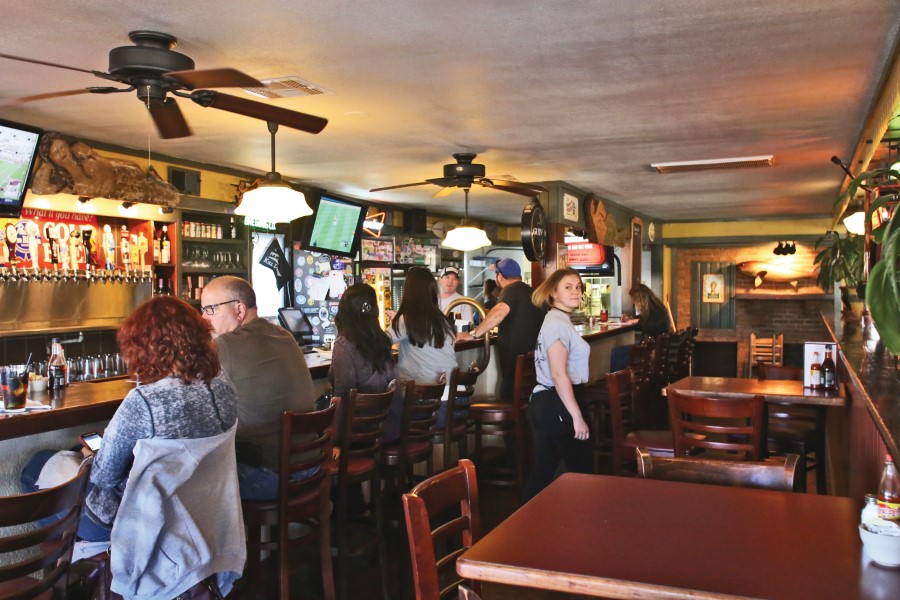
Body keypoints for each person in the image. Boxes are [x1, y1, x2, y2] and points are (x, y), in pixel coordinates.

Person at [87, 296, 244, 597]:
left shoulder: (144, 402)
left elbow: (103, 476)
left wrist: (86, 459)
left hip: (151, 525)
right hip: (208, 522)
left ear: (142, 346)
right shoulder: (223, 386)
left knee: (40, 471)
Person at [200, 275, 316, 500]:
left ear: (239, 310)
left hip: (272, 477)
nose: (203, 318)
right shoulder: (285, 335)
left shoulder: (225, 344)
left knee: (190, 482)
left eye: (210, 309)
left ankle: (232, 537)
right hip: (311, 468)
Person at [522, 268, 593, 503]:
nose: (575, 291)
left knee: (543, 471)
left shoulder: (558, 320)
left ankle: (523, 526)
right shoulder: (557, 323)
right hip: (558, 402)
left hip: (548, 402)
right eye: (568, 287)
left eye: (578, 287)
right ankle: (582, 528)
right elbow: (558, 373)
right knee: (582, 472)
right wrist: (577, 415)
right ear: (554, 293)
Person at [457, 258, 544, 399]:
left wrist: (473, 334)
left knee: (508, 398)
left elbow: (500, 312)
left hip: (514, 371)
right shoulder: (532, 292)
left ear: (500, 276)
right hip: (533, 371)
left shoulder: (510, 291)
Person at [330, 283, 402, 442]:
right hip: (391, 428)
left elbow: (342, 397)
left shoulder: (344, 345)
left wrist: (335, 442)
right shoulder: (383, 339)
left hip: (362, 436)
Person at [388, 265, 459, 426]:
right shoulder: (442, 319)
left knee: (384, 415)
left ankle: (405, 450)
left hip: (427, 407)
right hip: (455, 403)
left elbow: (379, 342)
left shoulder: (406, 318)